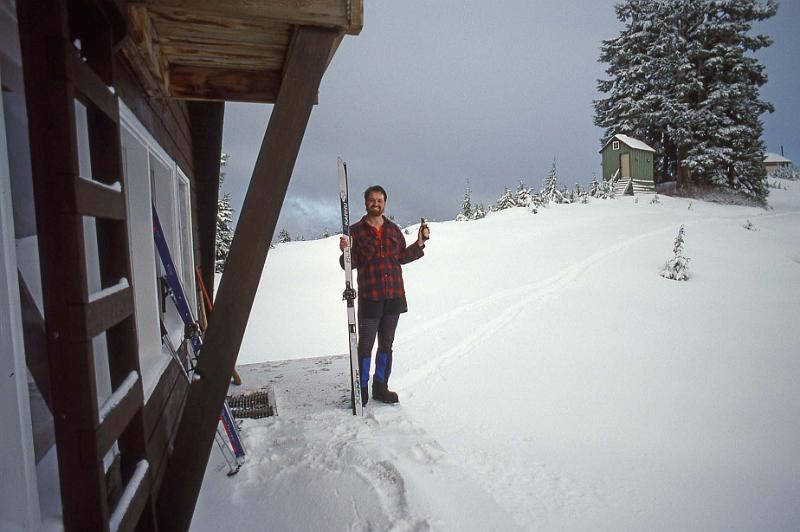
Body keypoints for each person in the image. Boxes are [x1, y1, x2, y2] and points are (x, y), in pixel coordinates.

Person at [339, 185, 428, 406]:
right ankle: (361, 390)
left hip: (394, 296)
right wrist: (346, 251)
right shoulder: (355, 231)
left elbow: (402, 257)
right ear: (366, 203)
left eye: (380, 200)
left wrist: (419, 243)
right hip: (370, 297)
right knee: (365, 346)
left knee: (386, 345)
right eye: (372, 200)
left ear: (385, 203)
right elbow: (348, 264)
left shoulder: (393, 230)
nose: (376, 204)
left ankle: (381, 386)